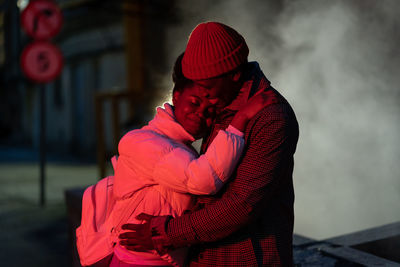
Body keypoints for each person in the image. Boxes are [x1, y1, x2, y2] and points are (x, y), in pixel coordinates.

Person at [118, 22, 299, 266]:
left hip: (245, 258)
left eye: (206, 85)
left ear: (234, 74)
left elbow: (240, 205)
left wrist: (168, 232)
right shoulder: (222, 100)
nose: (203, 95)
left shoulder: (270, 116)